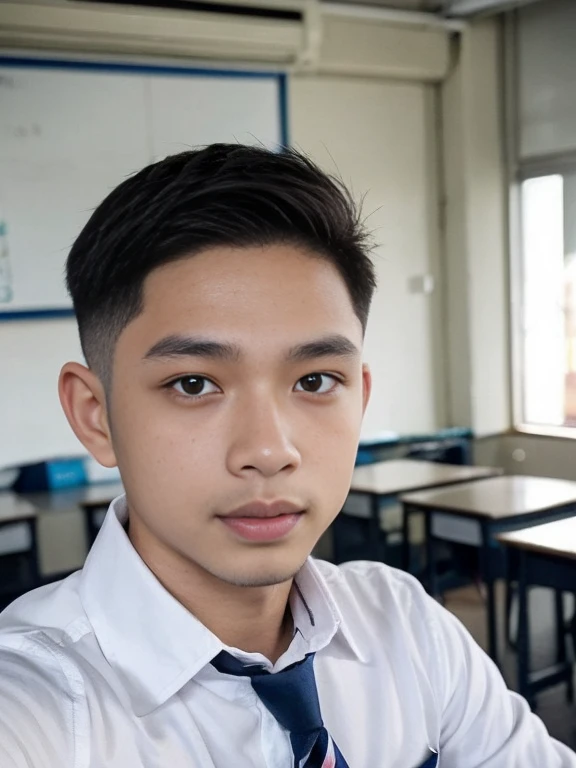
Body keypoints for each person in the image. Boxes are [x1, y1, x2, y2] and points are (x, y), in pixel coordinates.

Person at [0, 144, 574, 768]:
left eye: (316, 381)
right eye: (194, 383)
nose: (269, 451)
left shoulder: (406, 624)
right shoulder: (39, 710)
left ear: (360, 397)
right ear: (95, 413)